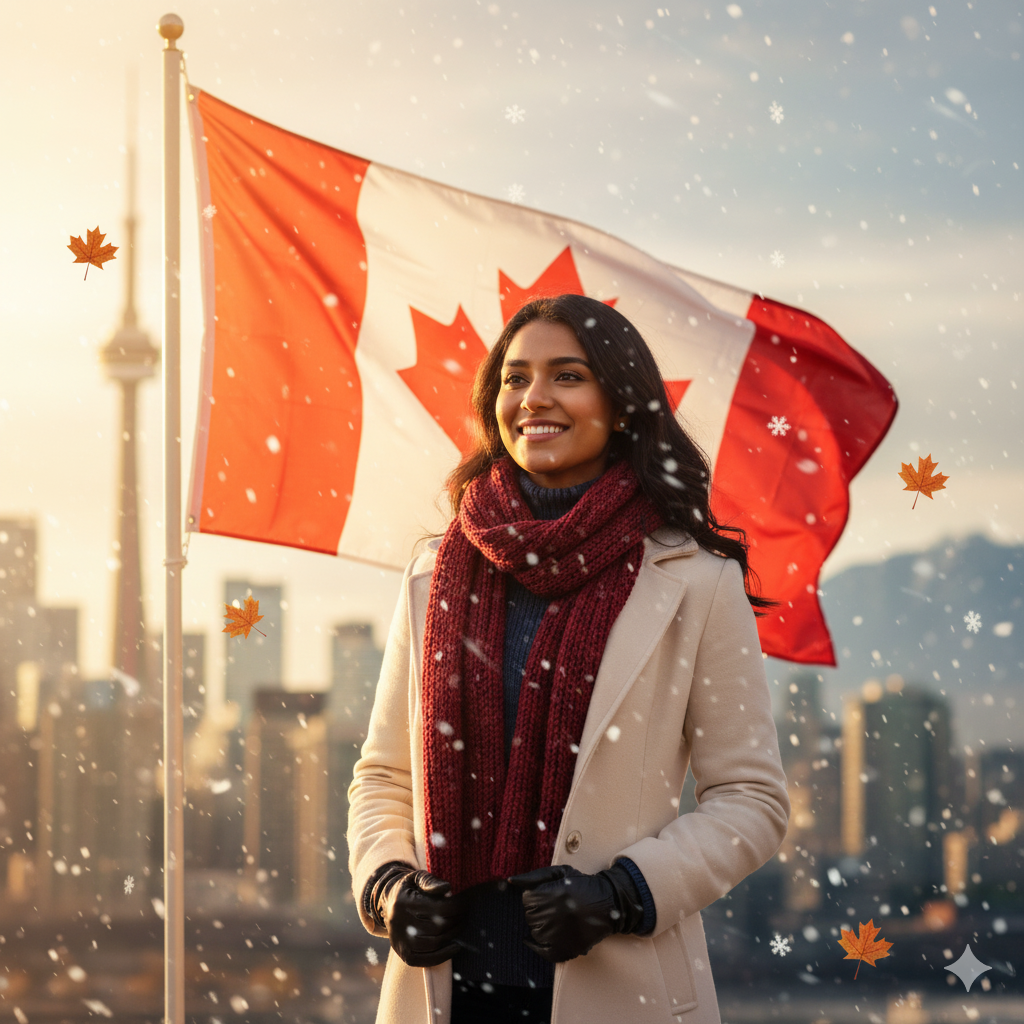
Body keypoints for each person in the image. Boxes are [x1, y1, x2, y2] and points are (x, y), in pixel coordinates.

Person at [347, 294, 790, 1024]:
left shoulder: (694, 581)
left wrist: (624, 893)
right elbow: (385, 774)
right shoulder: (436, 572)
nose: (534, 399)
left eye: (568, 376)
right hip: (448, 991)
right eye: (515, 379)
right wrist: (388, 885)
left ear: (620, 407)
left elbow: (751, 799)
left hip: (618, 986)